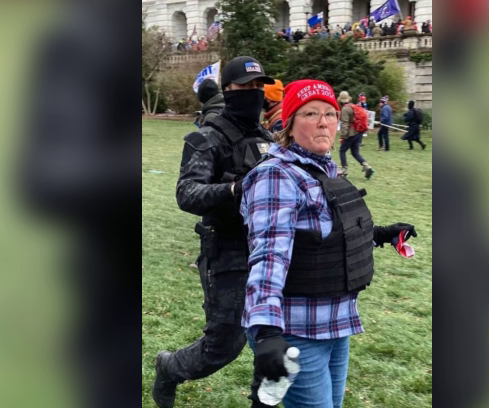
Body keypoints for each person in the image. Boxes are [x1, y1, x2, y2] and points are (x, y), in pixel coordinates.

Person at [240, 79, 418, 408]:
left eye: (330, 113)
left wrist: (381, 234)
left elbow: (327, 231)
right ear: (290, 125)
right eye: (310, 113)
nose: (324, 122)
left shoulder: (324, 168)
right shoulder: (277, 175)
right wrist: (266, 330)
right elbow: (268, 255)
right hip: (297, 328)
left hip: (336, 321)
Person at [152, 56, 276, 408]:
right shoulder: (207, 137)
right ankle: (170, 367)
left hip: (271, 250)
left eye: (258, 86)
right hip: (229, 253)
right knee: (224, 345)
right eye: (244, 87)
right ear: (227, 90)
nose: (253, 93)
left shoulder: (266, 136)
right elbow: (186, 193)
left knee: (273, 338)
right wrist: (234, 190)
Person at [337, 91, 374, 178]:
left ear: (340, 100)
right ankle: (366, 166)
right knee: (355, 152)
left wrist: (343, 136)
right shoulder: (353, 106)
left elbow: (345, 124)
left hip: (351, 133)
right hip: (359, 132)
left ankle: (344, 169)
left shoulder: (345, 109)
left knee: (342, 150)